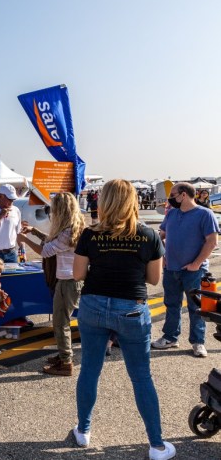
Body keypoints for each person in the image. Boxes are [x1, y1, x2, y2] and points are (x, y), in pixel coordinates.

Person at [71, 179, 175, 460]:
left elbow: (78, 274)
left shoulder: (90, 235)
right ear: (132, 201)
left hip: (93, 306)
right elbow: (154, 280)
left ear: (103, 201)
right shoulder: (149, 236)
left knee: (90, 371)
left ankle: (83, 431)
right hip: (131, 307)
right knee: (141, 377)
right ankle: (156, 445)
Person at [18, 192, 85, 377]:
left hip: (68, 282)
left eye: (53, 208)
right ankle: (64, 355)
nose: (51, 212)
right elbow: (52, 242)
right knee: (60, 321)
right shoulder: (73, 228)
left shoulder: (68, 232)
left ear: (61, 210)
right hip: (69, 280)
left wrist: (25, 240)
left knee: (60, 323)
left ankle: (65, 362)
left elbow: (46, 251)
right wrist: (34, 231)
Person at [152, 182, 219, 357]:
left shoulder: (205, 214)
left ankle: (198, 342)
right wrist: (163, 257)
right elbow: (162, 236)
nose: (170, 199)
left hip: (195, 271)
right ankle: (170, 337)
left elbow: (212, 242)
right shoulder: (172, 213)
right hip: (171, 269)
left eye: (173, 195)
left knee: (195, 308)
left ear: (183, 195)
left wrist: (196, 263)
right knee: (171, 304)